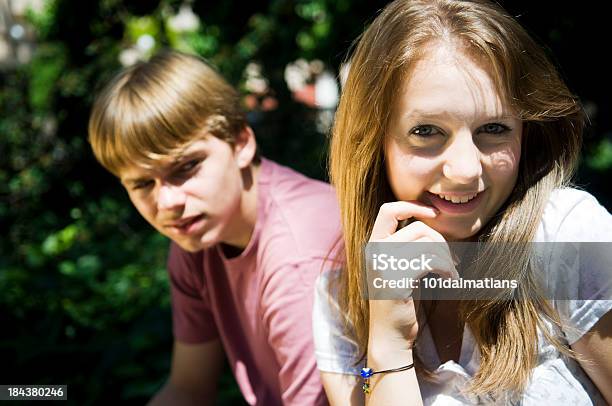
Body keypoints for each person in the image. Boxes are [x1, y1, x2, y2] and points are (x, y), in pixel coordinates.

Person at [312, 0, 612, 405]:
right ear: (372, 141)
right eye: (426, 131)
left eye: (494, 128)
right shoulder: (343, 297)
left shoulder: (569, 237)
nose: (467, 170)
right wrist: (387, 349)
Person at [88, 50, 341, 405]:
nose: (167, 203)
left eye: (186, 167)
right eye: (143, 184)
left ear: (240, 143)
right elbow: (188, 390)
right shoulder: (198, 238)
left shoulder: (298, 262)